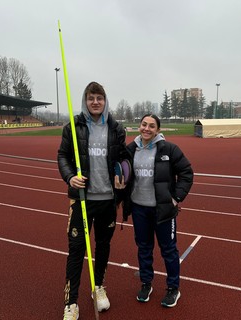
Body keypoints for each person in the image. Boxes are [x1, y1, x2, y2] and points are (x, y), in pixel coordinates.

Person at [58, 81, 128, 319]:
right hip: (82, 200)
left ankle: (98, 287)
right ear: (85, 101)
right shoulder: (73, 127)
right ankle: (71, 301)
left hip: (108, 200)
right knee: (76, 250)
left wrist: (124, 176)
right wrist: (69, 177)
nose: (95, 102)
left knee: (104, 246)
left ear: (105, 101)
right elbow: (62, 155)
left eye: (99, 98)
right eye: (91, 98)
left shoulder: (116, 128)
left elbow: (123, 158)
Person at [122, 114, 193, 308]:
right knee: (144, 248)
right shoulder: (130, 149)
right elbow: (122, 174)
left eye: (152, 126)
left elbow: (186, 173)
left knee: (168, 250)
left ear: (158, 130)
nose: (147, 128)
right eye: (144, 124)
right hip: (139, 208)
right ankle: (146, 283)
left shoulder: (169, 149)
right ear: (139, 126)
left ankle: (173, 288)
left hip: (162, 210)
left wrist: (176, 197)